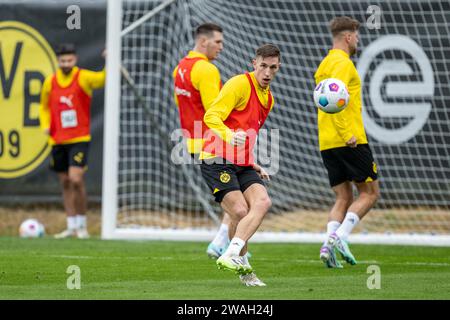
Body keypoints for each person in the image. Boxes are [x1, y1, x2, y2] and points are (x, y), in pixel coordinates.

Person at [199, 44, 281, 286]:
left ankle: (232, 254)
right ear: (253, 63)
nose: (267, 72)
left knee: (264, 202)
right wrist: (227, 134)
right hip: (216, 158)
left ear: (278, 68)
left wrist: (252, 162)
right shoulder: (239, 84)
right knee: (240, 212)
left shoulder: (269, 99)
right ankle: (244, 269)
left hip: (242, 163)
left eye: (272, 67)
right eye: (263, 66)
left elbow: (248, 131)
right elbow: (211, 115)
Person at [314, 17, 380, 268]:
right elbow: (334, 99)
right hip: (349, 139)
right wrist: (347, 134)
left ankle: (328, 245)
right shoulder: (342, 64)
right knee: (371, 193)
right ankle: (340, 237)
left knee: (343, 197)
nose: (358, 41)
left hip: (327, 140)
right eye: (357, 36)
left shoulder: (324, 64)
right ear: (348, 37)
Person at [172, 23, 233, 259]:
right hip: (213, 141)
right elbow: (215, 112)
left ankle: (222, 241)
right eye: (218, 42)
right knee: (242, 196)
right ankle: (224, 245)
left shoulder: (179, 69)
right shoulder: (206, 70)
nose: (221, 47)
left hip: (193, 142)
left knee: (237, 193)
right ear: (203, 41)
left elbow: (180, 105)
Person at [39, 43, 106, 239]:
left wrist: (109, 60)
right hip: (58, 139)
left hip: (79, 138)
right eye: (62, 60)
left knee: (77, 179)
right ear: (58, 61)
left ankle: (82, 225)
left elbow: (103, 79)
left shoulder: (83, 77)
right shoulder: (50, 82)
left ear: (75, 59)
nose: (66, 63)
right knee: (66, 182)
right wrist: (45, 125)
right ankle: (71, 225)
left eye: (69, 60)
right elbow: (43, 106)